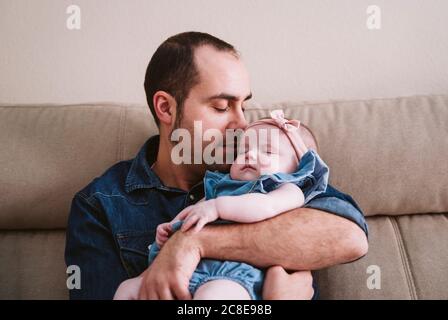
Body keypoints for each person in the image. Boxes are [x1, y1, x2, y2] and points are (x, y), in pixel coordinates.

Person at [65, 31, 368, 300]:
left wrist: (193, 242)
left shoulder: (268, 170)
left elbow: (350, 236)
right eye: (222, 107)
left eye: (243, 106)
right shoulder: (100, 204)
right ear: (166, 108)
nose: (241, 124)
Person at [113, 109, 330, 300]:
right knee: (127, 289)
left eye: (268, 151)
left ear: (299, 168)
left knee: (213, 295)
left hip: (234, 275)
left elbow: (265, 206)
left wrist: (216, 207)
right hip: (186, 271)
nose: (250, 155)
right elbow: (195, 213)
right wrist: (172, 228)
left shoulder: (288, 190)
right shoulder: (220, 186)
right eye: (243, 150)